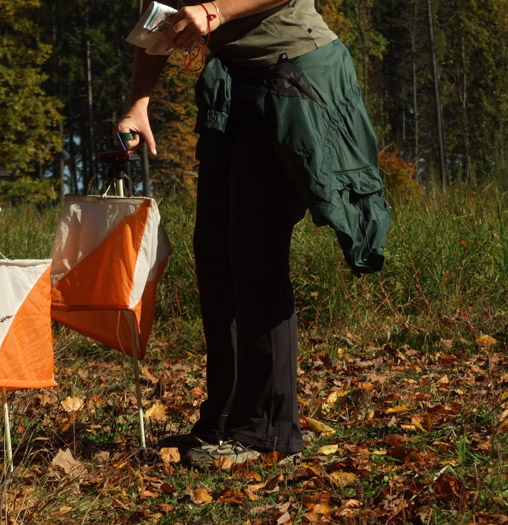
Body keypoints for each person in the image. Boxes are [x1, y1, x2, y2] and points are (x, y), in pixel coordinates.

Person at [116, 0, 390, 466]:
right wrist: (138, 103)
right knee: (217, 254)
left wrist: (213, 10)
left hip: (296, 75)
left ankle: (265, 429)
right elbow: (156, 16)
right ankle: (223, 420)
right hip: (234, 84)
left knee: (254, 252)